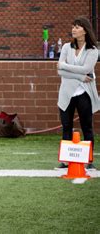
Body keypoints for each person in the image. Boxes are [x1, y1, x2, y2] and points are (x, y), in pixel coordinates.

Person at [57, 16, 99, 170]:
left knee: (87, 127)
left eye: (77, 27)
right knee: (66, 126)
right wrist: (80, 76)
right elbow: (60, 70)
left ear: (85, 31)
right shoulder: (67, 47)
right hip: (67, 94)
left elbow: (87, 69)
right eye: (73, 26)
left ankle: (89, 160)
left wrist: (66, 66)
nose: (73, 29)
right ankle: (65, 161)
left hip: (84, 95)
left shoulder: (93, 50)